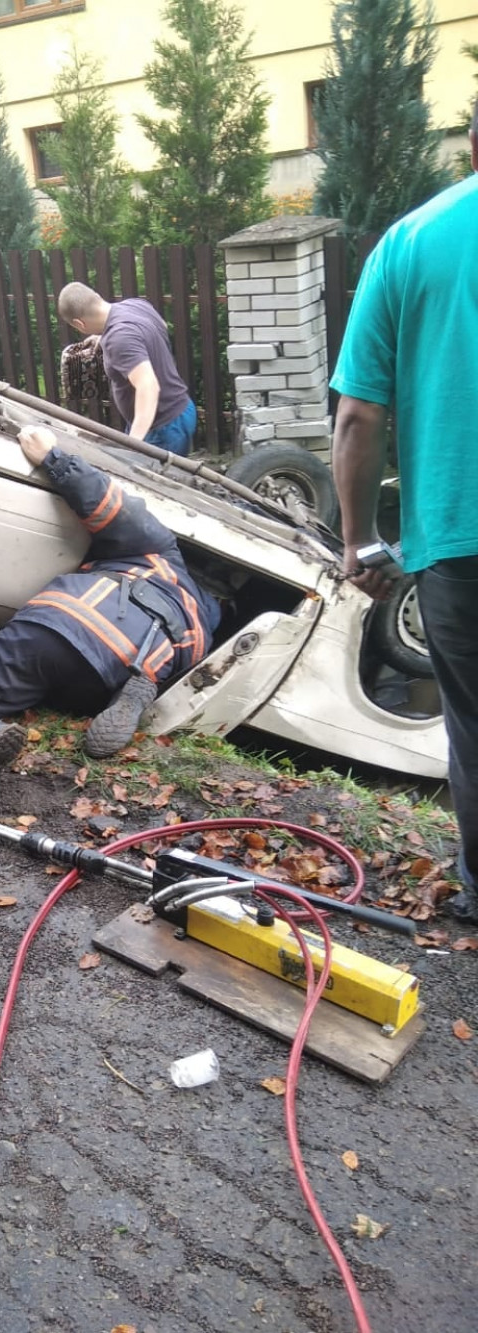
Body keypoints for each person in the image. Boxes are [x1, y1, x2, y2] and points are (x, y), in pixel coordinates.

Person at [330, 98, 478, 926]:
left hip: (461, 540)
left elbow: (358, 417)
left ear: (472, 143)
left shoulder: (412, 242)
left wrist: (359, 539)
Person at [0, 425, 220, 807]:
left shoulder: (162, 554)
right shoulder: (202, 633)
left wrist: (53, 458)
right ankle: (126, 696)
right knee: (83, 680)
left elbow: (112, 507)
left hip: (70, 622)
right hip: (118, 673)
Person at [57, 281, 197, 457]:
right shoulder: (136, 305)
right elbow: (161, 325)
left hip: (162, 427)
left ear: (79, 324)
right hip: (178, 409)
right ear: (97, 297)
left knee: (148, 482)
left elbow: (149, 387)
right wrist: (106, 336)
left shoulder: (118, 339)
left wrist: (133, 444)